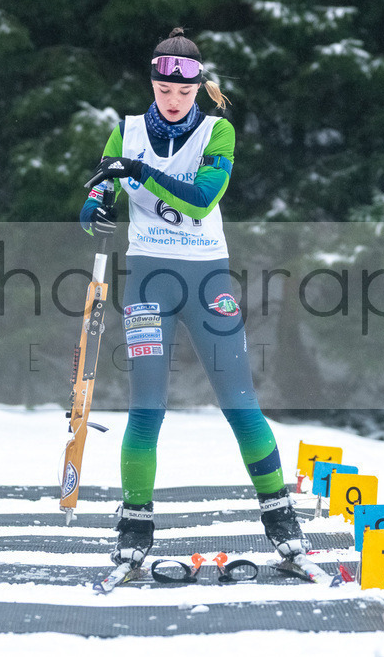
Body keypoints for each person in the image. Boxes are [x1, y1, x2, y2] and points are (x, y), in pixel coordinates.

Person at [80, 28, 309, 569]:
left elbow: (203, 200)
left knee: (240, 403)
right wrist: (94, 211)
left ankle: (279, 516)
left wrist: (138, 173)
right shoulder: (125, 132)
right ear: (153, 84)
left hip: (207, 283)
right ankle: (135, 521)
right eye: (164, 90)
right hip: (146, 284)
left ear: (199, 88)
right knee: (146, 409)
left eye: (183, 93)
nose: (174, 101)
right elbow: (99, 190)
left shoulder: (217, 132)